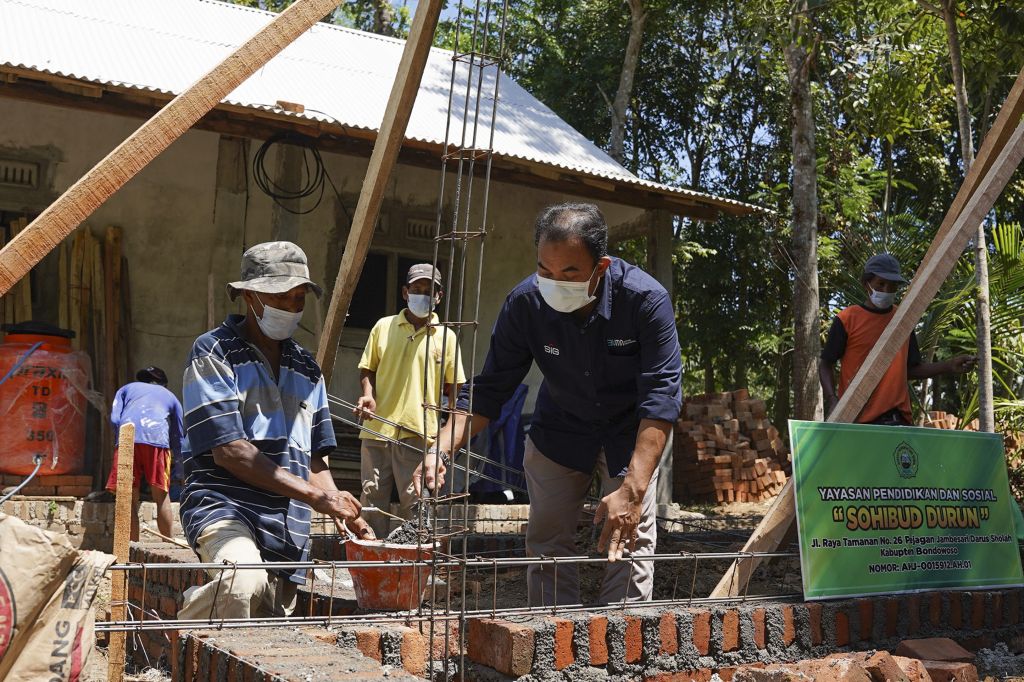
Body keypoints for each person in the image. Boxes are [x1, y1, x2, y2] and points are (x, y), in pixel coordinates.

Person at [418, 202, 682, 606]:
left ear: (602, 267)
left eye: (570, 273)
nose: (554, 281)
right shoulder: (524, 303)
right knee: (547, 541)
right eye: (545, 270)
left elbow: (661, 396)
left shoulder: (645, 300)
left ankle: (624, 636)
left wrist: (634, 487)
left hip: (632, 436)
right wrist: (441, 447)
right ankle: (551, 639)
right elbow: (490, 389)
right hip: (559, 432)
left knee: (629, 540)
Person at [177, 241, 372, 621]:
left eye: (299, 299)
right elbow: (229, 451)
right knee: (241, 582)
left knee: (265, 633)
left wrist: (345, 512)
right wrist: (316, 498)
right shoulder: (214, 353)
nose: (292, 308)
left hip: (287, 528)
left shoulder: (306, 368)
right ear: (250, 296)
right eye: (281, 297)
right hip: (226, 506)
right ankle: (182, 637)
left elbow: (314, 458)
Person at [353, 264, 466, 538]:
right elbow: (367, 368)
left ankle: (413, 565)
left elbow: (455, 390)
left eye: (429, 291)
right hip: (377, 431)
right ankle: (371, 560)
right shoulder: (384, 326)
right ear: (405, 292)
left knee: (417, 501)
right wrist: (368, 395)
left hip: (419, 435)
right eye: (417, 289)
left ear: (440, 296)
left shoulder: (447, 337)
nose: (422, 295)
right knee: (371, 501)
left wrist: (448, 436)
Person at [820, 253, 976, 424]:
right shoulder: (847, 319)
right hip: (858, 418)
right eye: (881, 284)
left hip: (898, 417)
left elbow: (910, 370)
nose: (887, 290)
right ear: (866, 284)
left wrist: (949, 365)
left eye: (893, 286)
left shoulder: (902, 320)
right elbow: (826, 364)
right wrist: (832, 399)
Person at [104, 366, 182, 541]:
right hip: (157, 440)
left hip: (127, 436)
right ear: (164, 384)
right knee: (161, 496)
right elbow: (178, 434)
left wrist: (121, 441)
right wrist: (179, 466)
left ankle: (131, 548)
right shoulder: (170, 396)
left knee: (128, 496)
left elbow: (115, 419)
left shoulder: (126, 389)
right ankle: (168, 546)